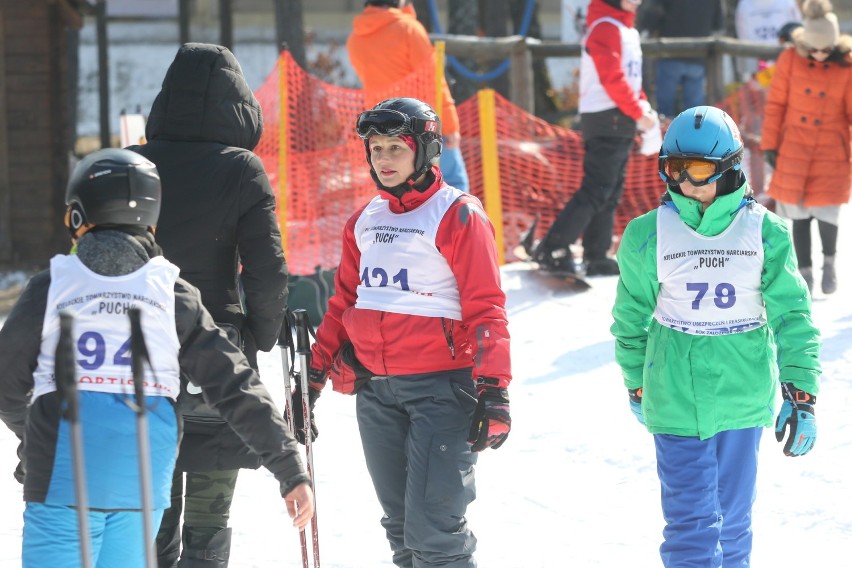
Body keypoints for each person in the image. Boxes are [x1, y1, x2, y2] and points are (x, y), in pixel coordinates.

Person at [0, 149, 314, 568]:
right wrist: (289, 466)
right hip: (140, 479)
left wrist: (36, 435)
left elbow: (5, 384)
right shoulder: (171, 292)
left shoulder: (52, 287)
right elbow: (233, 384)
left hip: (63, 474)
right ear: (151, 219)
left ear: (76, 217)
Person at [293, 97, 512, 568]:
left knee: (435, 532)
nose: (384, 159)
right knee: (401, 530)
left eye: (396, 147)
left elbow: (487, 308)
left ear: (425, 151)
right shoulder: (364, 221)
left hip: (441, 391)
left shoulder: (457, 215)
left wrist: (494, 390)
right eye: (376, 149)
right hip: (377, 394)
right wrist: (311, 377)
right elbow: (342, 305)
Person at [611, 106, 821, 567]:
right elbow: (630, 319)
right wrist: (635, 381)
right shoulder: (648, 234)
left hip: (742, 393)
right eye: (673, 168)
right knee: (691, 526)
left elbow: (793, 317)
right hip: (673, 397)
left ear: (729, 168)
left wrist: (801, 393)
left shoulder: (765, 232)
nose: (685, 182)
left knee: (733, 520)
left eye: (699, 170)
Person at [126, 43, 290, 566]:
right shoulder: (241, 169)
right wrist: (261, 335)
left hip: (138, 346)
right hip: (216, 350)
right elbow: (266, 270)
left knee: (152, 501)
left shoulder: (136, 165)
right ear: (237, 103)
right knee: (209, 508)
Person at [530, 0, 657, 277]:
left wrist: (644, 109)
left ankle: (596, 254)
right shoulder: (605, 27)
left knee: (611, 191)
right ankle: (553, 247)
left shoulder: (626, 30)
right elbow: (612, 78)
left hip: (620, 115)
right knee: (597, 189)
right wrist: (638, 112)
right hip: (606, 115)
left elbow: (632, 81)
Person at [760, 0, 852, 296]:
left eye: (826, 50)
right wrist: (770, 145)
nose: (820, 55)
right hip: (794, 147)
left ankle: (829, 262)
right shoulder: (789, 59)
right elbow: (776, 105)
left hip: (831, 149)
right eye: (813, 49)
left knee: (827, 212)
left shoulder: (847, 66)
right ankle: (805, 271)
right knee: (798, 214)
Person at [347, 0, 470, 193]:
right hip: (423, 123)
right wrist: (450, 124)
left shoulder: (356, 37)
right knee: (454, 184)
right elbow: (433, 80)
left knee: (401, 189)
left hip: (382, 127)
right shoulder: (408, 29)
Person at [637, 0, 723, 118]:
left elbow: (653, 16)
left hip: (670, 54)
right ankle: (693, 136)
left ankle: (665, 134)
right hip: (698, 55)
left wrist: (645, 30)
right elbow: (718, 24)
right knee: (694, 113)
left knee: (664, 111)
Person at [735, 0, 802, 81]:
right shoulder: (744, 4)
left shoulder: (788, 2)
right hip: (757, 71)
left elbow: (798, 31)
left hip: (785, 65)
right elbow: (743, 39)